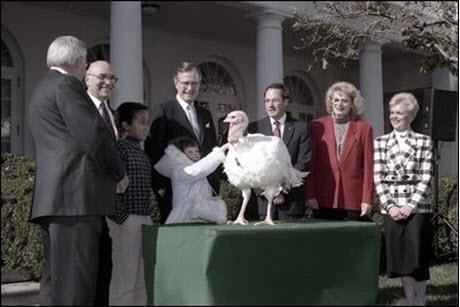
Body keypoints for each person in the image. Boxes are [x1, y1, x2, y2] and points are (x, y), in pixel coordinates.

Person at [27, 35, 128, 305]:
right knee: (76, 287)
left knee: (56, 286)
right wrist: (119, 173)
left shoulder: (42, 88)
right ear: (78, 61)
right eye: (85, 63)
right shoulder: (67, 84)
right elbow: (93, 135)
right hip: (75, 200)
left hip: (56, 201)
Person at [374, 92, 434, 305]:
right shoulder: (380, 142)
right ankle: (411, 300)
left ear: (410, 116)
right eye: (392, 112)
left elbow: (426, 176)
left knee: (417, 256)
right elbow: (378, 178)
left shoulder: (424, 141)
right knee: (401, 259)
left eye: (399, 113)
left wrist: (410, 205)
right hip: (391, 207)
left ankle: (421, 299)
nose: (394, 116)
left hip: (418, 207)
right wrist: (390, 206)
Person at [144, 62, 219, 224]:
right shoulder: (163, 111)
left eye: (194, 83)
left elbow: (210, 148)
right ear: (176, 83)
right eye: (185, 83)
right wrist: (161, 189)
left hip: (203, 192)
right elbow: (153, 152)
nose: (190, 88)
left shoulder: (205, 114)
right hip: (175, 192)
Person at [305, 81, 373, 220]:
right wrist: (310, 194)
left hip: (353, 199)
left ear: (352, 104)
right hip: (323, 198)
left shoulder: (363, 128)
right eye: (336, 100)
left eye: (344, 101)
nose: (339, 104)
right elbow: (311, 164)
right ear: (331, 102)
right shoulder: (317, 126)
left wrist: (367, 198)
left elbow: (368, 167)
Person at [106, 102, 153, 305]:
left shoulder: (140, 151)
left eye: (147, 122)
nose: (146, 127)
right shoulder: (119, 148)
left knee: (141, 278)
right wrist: (122, 218)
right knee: (124, 279)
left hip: (143, 218)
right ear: (125, 125)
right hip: (126, 222)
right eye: (141, 122)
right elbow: (109, 183)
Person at [247, 83, 310, 221]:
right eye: (267, 101)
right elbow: (250, 165)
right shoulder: (254, 128)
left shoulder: (301, 128)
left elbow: (304, 162)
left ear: (286, 102)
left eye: (275, 100)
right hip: (261, 204)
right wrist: (269, 192)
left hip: (290, 204)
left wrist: (281, 190)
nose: (270, 105)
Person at [85, 60, 119, 306]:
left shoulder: (112, 113)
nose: (108, 82)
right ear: (87, 78)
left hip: (107, 204)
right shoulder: (80, 108)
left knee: (105, 266)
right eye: (102, 76)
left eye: (112, 78)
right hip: (84, 202)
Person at [154, 137, 230, 224]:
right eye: (190, 152)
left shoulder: (198, 174)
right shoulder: (180, 172)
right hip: (183, 220)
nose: (195, 154)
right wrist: (220, 151)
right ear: (180, 156)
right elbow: (200, 168)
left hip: (200, 219)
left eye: (196, 151)